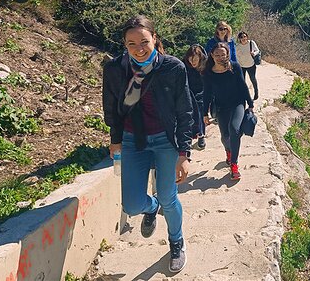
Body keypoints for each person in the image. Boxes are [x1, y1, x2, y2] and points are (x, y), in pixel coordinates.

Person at [102, 15, 191, 273]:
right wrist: (115, 140)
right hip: (132, 140)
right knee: (131, 205)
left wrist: (183, 153)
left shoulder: (172, 68)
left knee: (168, 195)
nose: (139, 48)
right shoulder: (115, 69)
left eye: (144, 41)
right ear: (124, 44)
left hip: (165, 140)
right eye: (131, 44)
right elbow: (112, 108)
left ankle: (176, 242)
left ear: (155, 39)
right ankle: (152, 208)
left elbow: (184, 111)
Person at [202, 42, 254, 181]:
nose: (220, 57)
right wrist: (204, 113)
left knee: (234, 129)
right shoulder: (208, 72)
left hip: (237, 103)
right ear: (212, 55)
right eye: (217, 54)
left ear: (227, 54)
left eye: (223, 54)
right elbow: (206, 94)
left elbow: (243, 86)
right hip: (221, 107)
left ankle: (234, 164)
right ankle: (229, 151)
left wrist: (250, 103)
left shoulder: (235, 67)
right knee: (225, 136)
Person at [183, 44, 207, 150]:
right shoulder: (183, 65)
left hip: (202, 93)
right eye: (190, 59)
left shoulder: (206, 65)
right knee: (188, 116)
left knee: (200, 114)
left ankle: (201, 135)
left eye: (195, 59)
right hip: (187, 93)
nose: (192, 62)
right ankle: (188, 137)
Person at [236, 31, 260, 101]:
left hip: (251, 65)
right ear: (239, 39)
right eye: (241, 37)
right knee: (242, 81)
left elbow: (257, 50)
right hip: (242, 66)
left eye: (245, 36)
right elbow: (237, 57)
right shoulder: (238, 46)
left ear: (247, 37)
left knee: (252, 79)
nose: (243, 38)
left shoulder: (251, 43)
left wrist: (254, 53)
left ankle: (256, 92)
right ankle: (244, 94)